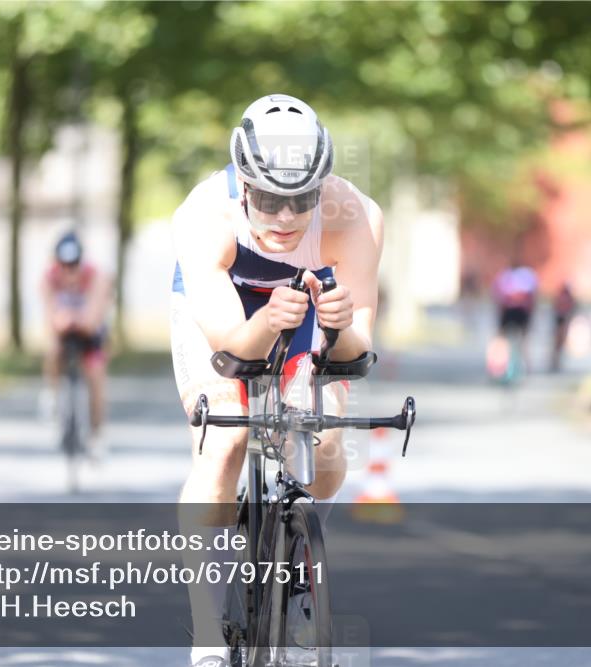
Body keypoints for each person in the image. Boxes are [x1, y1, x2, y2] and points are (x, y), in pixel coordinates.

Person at [170, 93, 384, 667]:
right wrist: (265, 321)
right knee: (225, 440)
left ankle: (298, 562)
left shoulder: (356, 215)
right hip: (228, 317)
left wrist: (340, 328)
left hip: (307, 305)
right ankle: (206, 629)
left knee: (328, 438)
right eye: (268, 199)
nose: (286, 218)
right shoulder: (202, 217)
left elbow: (360, 346)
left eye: (302, 199)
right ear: (243, 184)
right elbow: (232, 348)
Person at [39, 230, 112, 458]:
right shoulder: (48, 279)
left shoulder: (96, 277)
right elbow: (51, 319)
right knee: (53, 350)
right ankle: (51, 396)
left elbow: (92, 321)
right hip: (64, 334)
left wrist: (72, 319)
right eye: (64, 265)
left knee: (96, 374)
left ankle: (96, 434)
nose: (69, 271)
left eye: (74, 264)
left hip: (89, 335)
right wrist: (63, 321)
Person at [487, 260, 538, 379]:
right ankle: (524, 366)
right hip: (520, 311)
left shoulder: (505, 276)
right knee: (522, 340)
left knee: (503, 339)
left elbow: (498, 295)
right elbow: (532, 296)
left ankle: (498, 366)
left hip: (510, 311)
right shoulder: (526, 275)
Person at [550, 282, 577, 372]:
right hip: (560, 319)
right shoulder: (562, 297)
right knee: (557, 342)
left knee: (560, 342)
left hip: (564, 320)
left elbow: (572, 308)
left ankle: (556, 362)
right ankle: (554, 362)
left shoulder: (568, 298)